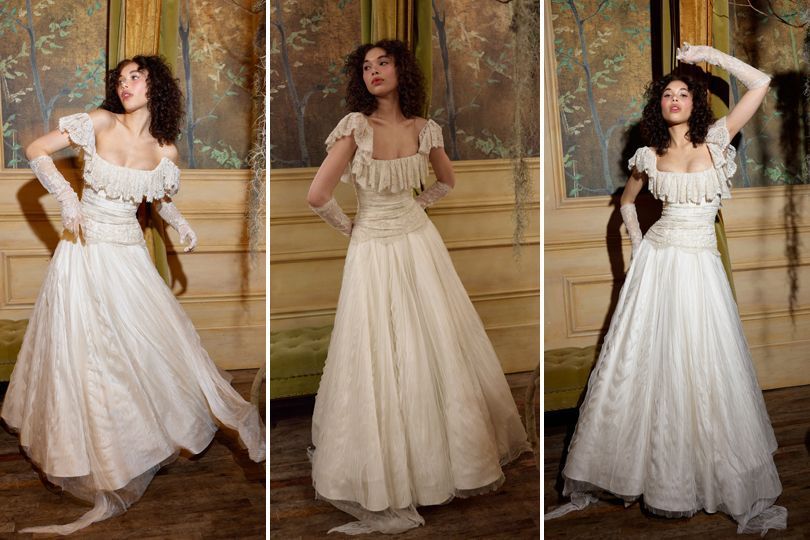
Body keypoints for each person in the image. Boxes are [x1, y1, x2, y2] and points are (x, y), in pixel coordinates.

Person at [0, 55, 265, 535]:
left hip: (127, 256)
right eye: (120, 78)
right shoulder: (99, 121)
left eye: (136, 76)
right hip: (82, 252)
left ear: (156, 86)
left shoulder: (165, 150)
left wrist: (180, 224)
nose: (126, 84)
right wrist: (67, 200)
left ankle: (135, 442)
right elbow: (37, 149)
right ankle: (92, 454)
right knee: (85, 355)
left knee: (147, 350)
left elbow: (159, 198)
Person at [545, 44, 786, 534]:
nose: (675, 99)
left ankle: (702, 473)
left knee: (701, 362)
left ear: (696, 103)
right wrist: (642, 250)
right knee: (642, 364)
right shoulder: (648, 155)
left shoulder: (718, 139)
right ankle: (633, 471)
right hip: (658, 263)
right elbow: (627, 205)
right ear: (660, 106)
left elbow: (760, 82)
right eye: (667, 94)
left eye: (683, 93)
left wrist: (708, 54)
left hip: (700, 265)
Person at [305, 39, 531, 535]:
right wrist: (359, 227)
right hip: (387, 245)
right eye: (365, 66)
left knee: (429, 347)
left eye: (383, 63)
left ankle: (439, 466)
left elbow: (446, 182)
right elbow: (317, 194)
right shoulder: (355, 127)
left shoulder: (425, 130)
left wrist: (393, 215)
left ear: (401, 70)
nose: (374, 72)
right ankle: (399, 473)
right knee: (384, 349)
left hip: (408, 241)